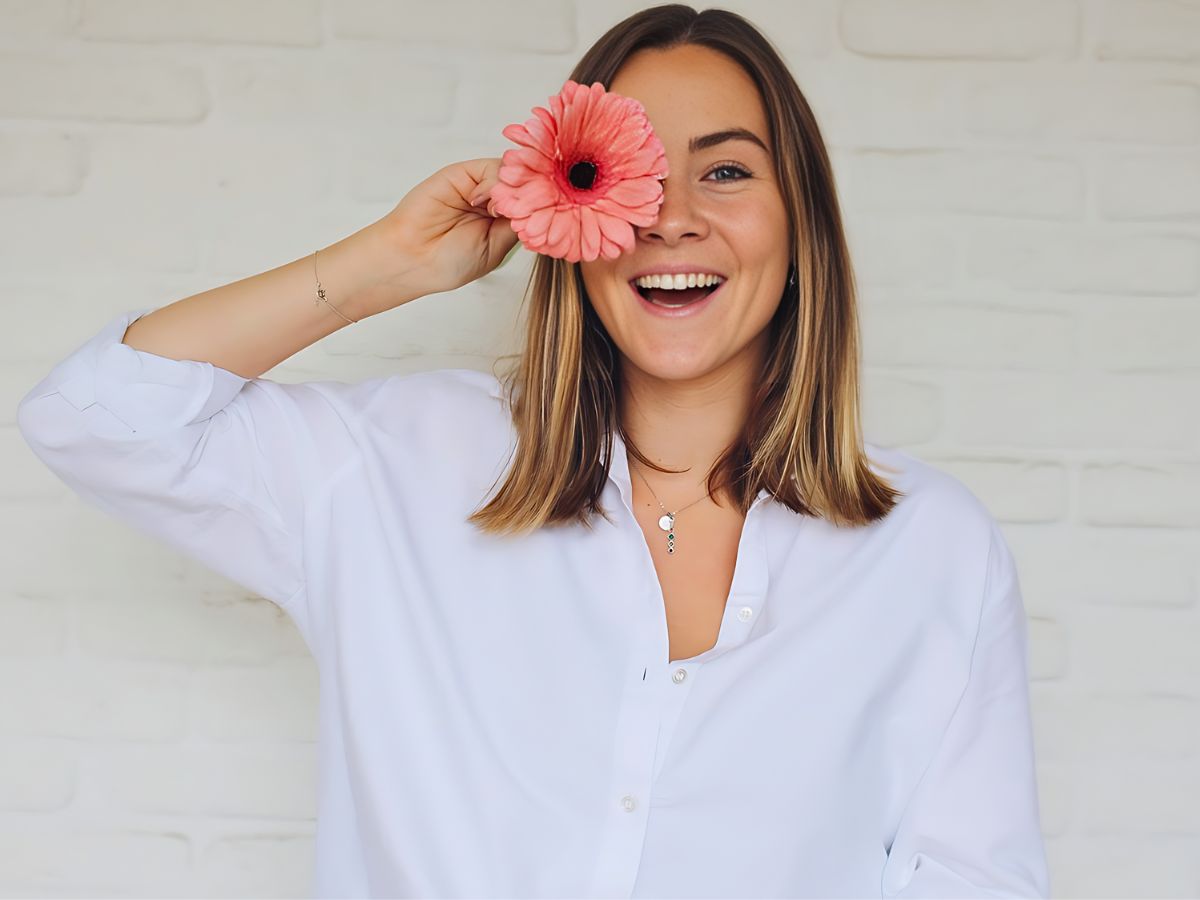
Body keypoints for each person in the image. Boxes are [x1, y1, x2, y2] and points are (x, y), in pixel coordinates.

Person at [15, 5, 1050, 898]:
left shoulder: (931, 550)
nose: (673, 219)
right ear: (569, 218)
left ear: (801, 224)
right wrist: (387, 266)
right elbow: (99, 417)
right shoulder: (400, 468)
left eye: (726, 170)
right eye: (628, 179)